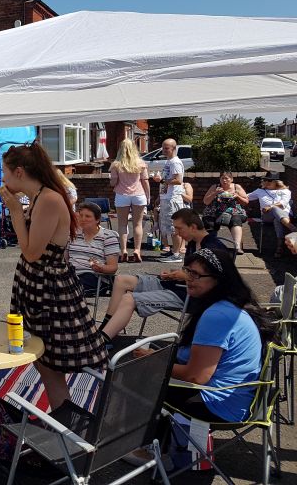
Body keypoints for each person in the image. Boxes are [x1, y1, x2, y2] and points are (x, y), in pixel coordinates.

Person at [127, 248, 273, 466]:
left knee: (141, 378)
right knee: (152, 369)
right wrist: (159, 356)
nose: (189, 279)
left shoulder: (217, 314)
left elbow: (197, 377)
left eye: (196, 275)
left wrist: (155, 361)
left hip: (219, 403)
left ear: (218, 279)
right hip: (237, 397)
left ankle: (156, 450)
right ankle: (167, 443)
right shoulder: (230, 304)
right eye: (188, 271)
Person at [0, 142, 107, 410]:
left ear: (20, 172)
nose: (3, 179)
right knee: (43, 360)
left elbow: (32, 252)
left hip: (47, 288)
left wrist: (14, 212)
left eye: (6, 173)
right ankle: (62, 419)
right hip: (38, 284)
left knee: (48, 361)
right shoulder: (39, 197)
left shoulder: (47, 198)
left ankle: (63, 420)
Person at [99, 209, 228, 341]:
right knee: (121, 280)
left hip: (190, 295)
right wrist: (175, 273)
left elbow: (214, 281)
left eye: (179, 228)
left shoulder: (214, 248)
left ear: (193, 227)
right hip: (176, 285)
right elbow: (191, 271)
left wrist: (182, 275)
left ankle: (102, 340)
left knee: (129, 298)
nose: (176, 233)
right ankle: (104, 328)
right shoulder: (194, 242)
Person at [110, 139, 151, 263]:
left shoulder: (116, 164)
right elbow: (145, 181)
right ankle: (137, 250)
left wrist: (112, 178)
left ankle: (124, 250)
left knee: (122, 224)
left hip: (122, 195)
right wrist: (148, 196)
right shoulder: (141, 163)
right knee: (137, 224)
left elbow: (113, 183)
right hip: (139, 194)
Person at [68, 202, 120, 295]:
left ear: (97, 220)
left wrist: (101, 268)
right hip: (71, 274)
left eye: (87, 216)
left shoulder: (108, 237)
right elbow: (65, 260)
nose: (83, 219)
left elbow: (113, 268)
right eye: (81, 216)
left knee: (67, 289)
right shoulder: (73, 235)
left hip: (93, 276)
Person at [153, 139, 185, 262]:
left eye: (167, 148)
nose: (164, 150)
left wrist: (160, 181)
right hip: (166, 197)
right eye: (163, 147)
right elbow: (168, 180)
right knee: (169, 227)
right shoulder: (169, 162)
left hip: (173, 199)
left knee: (174, 228)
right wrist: (159, 196)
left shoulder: (175, 162)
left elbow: (178, 180)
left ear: (173, 148)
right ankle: (173, 251)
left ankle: (176, 255)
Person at [248, 172, 295, 258]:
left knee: (277, 219)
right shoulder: (260, 191)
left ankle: (279, 248)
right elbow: (246, 197)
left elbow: (283, 203)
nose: (264, 182)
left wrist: (270, 206)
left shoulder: (285, 191)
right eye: (264, 180)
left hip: (285, 216)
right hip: (267, 216)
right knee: (274, 209)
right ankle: (293, 228)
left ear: (275, 182)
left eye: (267, 180)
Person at [201, 171, 249, 255]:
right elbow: (205, 202)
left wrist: (237, 196)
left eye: (226, 178)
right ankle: (211, 245)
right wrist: (215, 193)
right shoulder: (215, 187)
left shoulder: (237, 187)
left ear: (231, 179)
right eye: (222, 178)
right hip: (214, 211)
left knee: (236, 219)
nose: (224, 180)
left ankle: (237, 246)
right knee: (209, 221)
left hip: (234, 211)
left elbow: (246, 202)